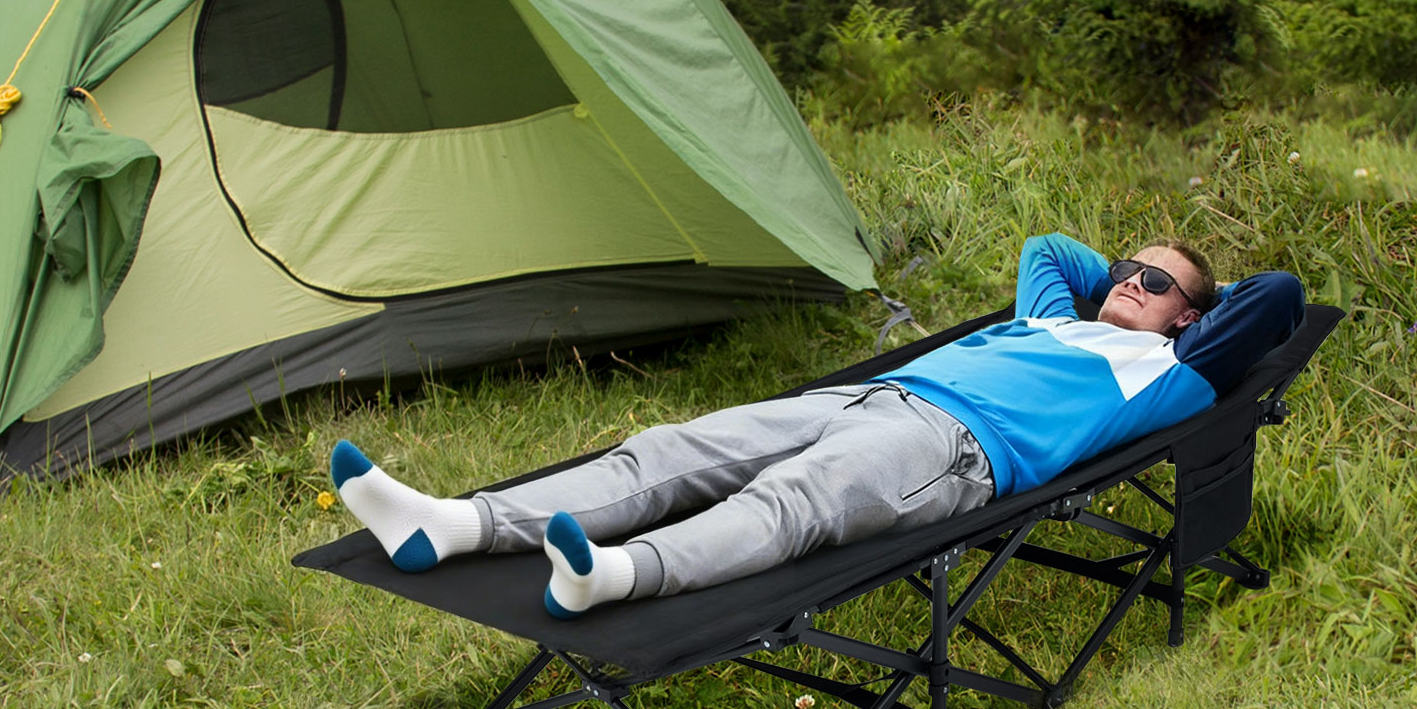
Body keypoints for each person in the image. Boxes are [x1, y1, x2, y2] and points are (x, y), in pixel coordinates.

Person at [329, 234, 1304, 619]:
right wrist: (1114, 283)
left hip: (957, 450)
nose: (1128, 284)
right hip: (872, 397)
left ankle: (612, 575)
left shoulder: (1168, 372)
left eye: (1155, 281)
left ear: (1190, 314)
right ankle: (449, 524)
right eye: (1126, 268)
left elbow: (1278, 296)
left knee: (791, 502)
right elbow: (1046, 245)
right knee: (669, 446)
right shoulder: (1052, 310)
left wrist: (1175, 309)